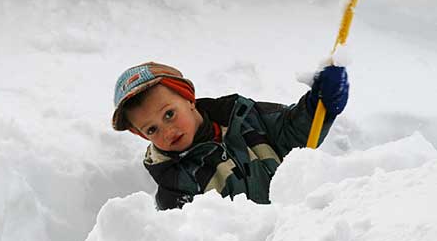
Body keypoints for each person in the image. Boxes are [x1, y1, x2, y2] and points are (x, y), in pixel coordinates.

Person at [112, 61, 349, 210]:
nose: (167, 131)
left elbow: (294, 132)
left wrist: (319, 105)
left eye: (169, 114)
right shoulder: (175, 186)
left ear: (189, 99)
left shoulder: (245, 117)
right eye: (152, 130)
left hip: (298, 235)